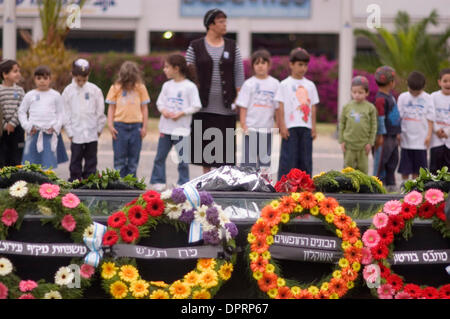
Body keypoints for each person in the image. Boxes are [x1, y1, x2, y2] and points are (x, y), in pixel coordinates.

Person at [186, 8, 245, 174]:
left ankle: (222, 181)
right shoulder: (195, 46)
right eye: (221, 22)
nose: (225, 25)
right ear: (210, 25)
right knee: (205, 147)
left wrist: (239, 98)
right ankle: (206, 180)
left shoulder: (233, 46)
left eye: (225, 21)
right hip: (202, 106)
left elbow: (239, 73)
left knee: (225, 148)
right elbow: (188, 72)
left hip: (226, 107)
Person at [150, 53, 201, 191]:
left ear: (176, 68)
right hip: (165, 129)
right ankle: (157, 181)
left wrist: (181, 113)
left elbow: (196, 105)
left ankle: (183, 182)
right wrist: (164, 111)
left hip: (181, 130)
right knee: (160, 157)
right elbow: (160, 103)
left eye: (167, 67)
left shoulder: (190, 87)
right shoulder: (167, 86)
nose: (164, 70)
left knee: (182, 160)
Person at [275, 47, 320, 178]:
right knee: (288, 159)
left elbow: (312, 106)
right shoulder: (284, 84)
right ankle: (284, 187)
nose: (303, 68)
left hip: (306, 127)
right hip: (290, 127)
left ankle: (305, 188)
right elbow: (280, 106)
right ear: (291, 64)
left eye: (305, 65)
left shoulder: (310, 85)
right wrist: (282, 125)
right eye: (300, 65)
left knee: (305, 160)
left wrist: (314, 127)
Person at [236, 49, 280, 176]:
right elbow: (243, 106)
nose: (260, 66)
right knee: (248, 161)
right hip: (251, 128)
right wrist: (243, 124)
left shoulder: (275, 84)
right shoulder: (249, 84)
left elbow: (278, 107)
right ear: (253, 66)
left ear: (269, 65)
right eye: (257, 63)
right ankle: (247, 184)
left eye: (263, 63)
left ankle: (264, 184)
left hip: (267, 129)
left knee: (265, 162)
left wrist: (277, 123)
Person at [62, 58, 106, 182]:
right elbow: (65, 113)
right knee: (75, 158)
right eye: (78, 80)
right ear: (73, 75)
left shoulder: (94, 90)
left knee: (91, 159)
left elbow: (100, 111)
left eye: (84, 79)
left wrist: (99, 128)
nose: (81, 82)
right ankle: (75, 180)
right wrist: (69, 132)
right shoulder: (68, 91)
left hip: (92, 132)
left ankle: (89, 180)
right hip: (76, 132)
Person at [106, 61, 150, 178]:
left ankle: (131, 183)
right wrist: (110, 125)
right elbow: (111, 108)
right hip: (119, 126)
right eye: (127, 82)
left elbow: (144, 108)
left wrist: (144, 127)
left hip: (136, 127)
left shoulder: (140, 88)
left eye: (132, 82)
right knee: (119, 159)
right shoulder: (115, 88)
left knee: (133, 159)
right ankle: (119, 183)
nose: (129, 85)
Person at [18, 66, 64, 169]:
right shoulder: (30, 95)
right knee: (31, 162)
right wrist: (28, 126)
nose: (42, 81)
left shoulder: (55, 95)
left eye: (45, 78)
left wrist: (56, 126)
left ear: (50, 79)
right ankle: (32, 182)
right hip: (33, 132)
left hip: (49, 133)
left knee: (48, 162)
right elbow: (21, 112)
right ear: (34, 79)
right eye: (39, 78)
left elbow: (61, 113)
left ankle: (48, 183)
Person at [397, 71, 434, 181]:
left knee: (418, 169)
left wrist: (429, 135)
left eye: (417, 93)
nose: (414, 94)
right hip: (406, 140)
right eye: (411, 91)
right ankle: (404, 187)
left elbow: (431, 118)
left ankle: (415, 188)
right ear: (407, 84)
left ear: (424, 87)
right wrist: (398, 133)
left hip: (421, 141)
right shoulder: (403, 97)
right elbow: (398, 117)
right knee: (405, 168)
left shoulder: (428, 98)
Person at [338, 76, 377, 174]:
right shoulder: (347, 107)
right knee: (348, 169)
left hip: (363, 145)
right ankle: (347, 187)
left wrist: (370, 142)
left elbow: (373, 126)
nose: (357, 95)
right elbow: (341, 124)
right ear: (351, 92)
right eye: (354, 92)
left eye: (360, 92)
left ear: (367, 93)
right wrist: (341, 140)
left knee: (363, 170)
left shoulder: (370, 108)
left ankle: (362, 188)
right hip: (349, 144)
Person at [373, 66, 401, 192]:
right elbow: (380, 118)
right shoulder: (380, 99)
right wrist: (379, 136)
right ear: (391, 82)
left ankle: (390, 184)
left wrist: (398, 132)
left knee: (393, 160)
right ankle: (378, 185)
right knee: (381, 161)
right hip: (384, 136)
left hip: (393, 135)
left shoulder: (390, 96)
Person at [0, 59, 25, 167]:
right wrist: (5, 125)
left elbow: (22, 108)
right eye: (15, 71)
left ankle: (16, 181)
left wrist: (12, 124)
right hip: (2, 130)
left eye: (19, 71)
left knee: (16, 157)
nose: (18, 74)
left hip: (17, 129)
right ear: (5, 74)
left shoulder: (20, 90)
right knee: (2, 156)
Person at [429, 68, 450, 174]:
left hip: (448, 139)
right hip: (436, 139)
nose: (448, 84)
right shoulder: (433, 96)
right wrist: (437, 129)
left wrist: (447, 132)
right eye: (445, 81)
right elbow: (430, 115)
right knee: (434, 169)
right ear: (439, 82)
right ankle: (434, 190)